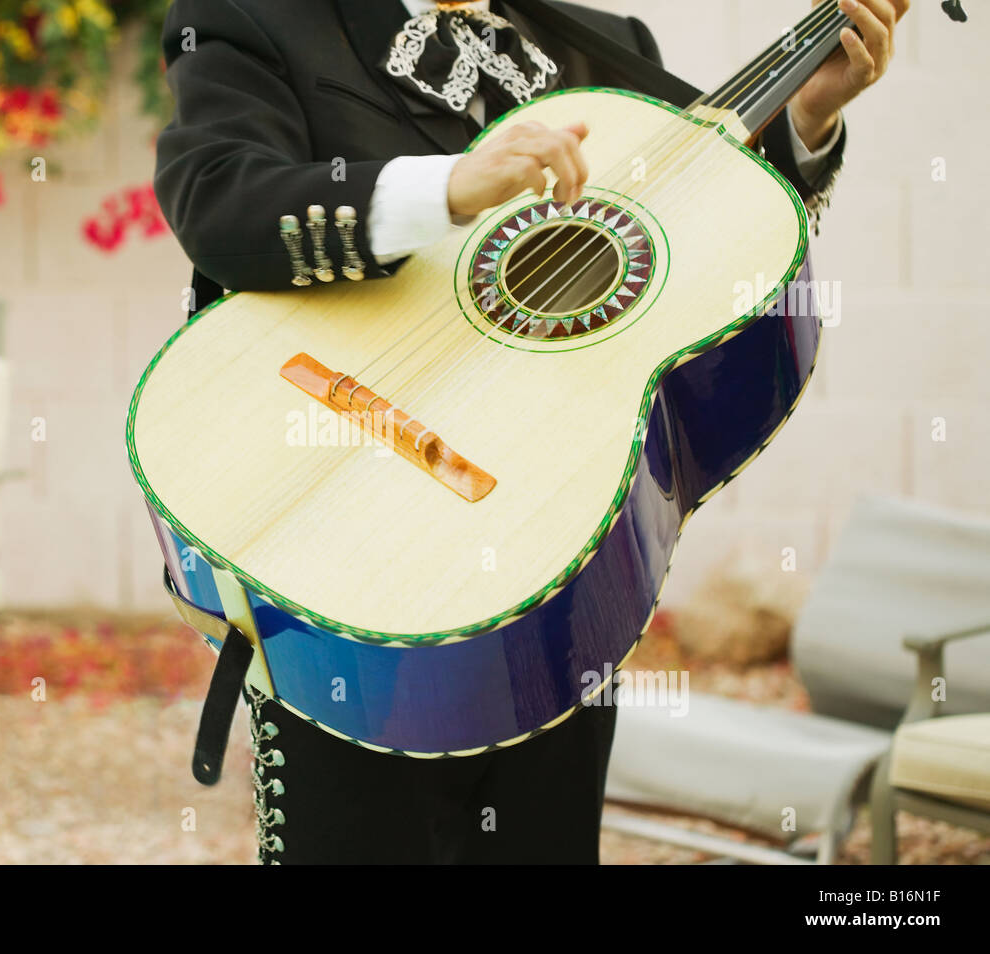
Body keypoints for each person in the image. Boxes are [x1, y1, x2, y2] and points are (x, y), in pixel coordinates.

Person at [152, 0, 906, 864]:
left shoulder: (610, 47)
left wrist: (805, 120)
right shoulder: (258, 17)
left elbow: (704, 240)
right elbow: (217, 196)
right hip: (345, 539)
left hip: (556, 559)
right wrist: (445, 191)